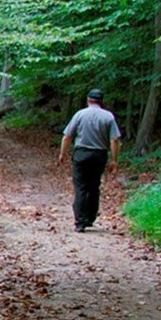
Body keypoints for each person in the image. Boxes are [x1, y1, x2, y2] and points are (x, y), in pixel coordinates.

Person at [58, 88, 121, 232]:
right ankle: (90, 217)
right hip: (99, 155)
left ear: (88, 99)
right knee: (94, 186)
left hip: (81, 154)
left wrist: (63, 153)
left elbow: (67, 136)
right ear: (101, 101)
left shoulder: (80, 114)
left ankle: (80, 222)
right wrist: (114, 160)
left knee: (80, 187)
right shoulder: (108, 117)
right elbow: (114, 139)